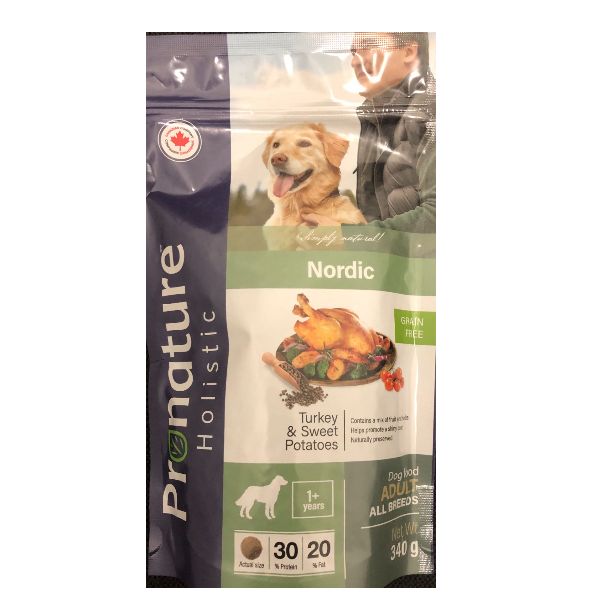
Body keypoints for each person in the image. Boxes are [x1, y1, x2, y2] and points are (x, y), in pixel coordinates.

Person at [303, 32, 435, 233]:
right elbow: (373, 220)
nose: (354, 61)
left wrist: (346, 237)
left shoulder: (434, 113)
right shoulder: (373, 120)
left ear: (408, 52)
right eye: (353, 52)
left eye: (368, 47)